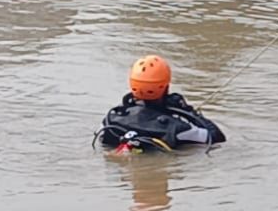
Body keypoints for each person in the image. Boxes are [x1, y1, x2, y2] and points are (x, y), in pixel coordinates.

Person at [97, 56, 226, 153]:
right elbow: (216, 137)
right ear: (166, 86)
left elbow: (102, 142)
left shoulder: (111, 120)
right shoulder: (178, 128)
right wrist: (188, 110)